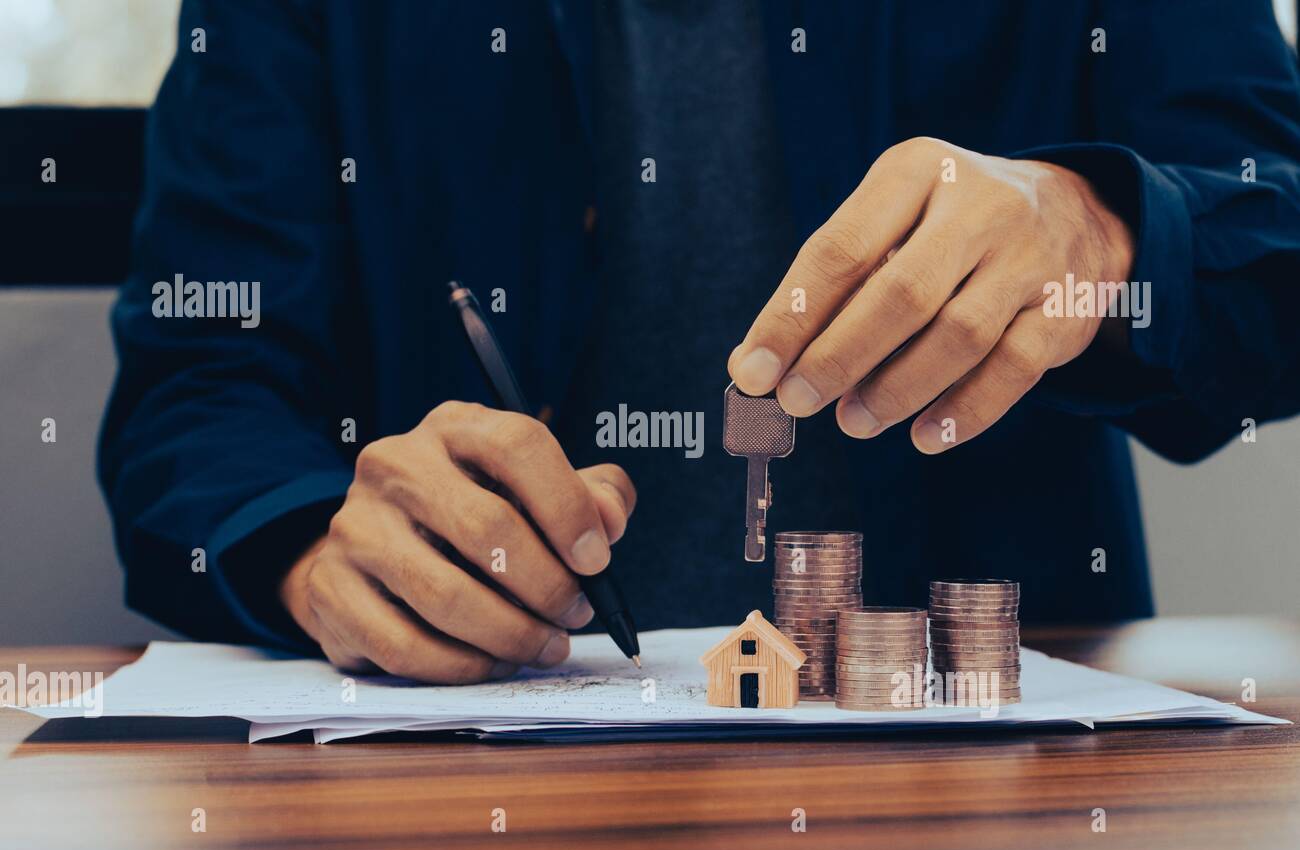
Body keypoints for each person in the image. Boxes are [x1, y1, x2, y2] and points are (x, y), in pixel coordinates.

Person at [100, 1, 1300, 683]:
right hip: (458, 792)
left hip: (984, 789)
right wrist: (317, 548)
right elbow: (194, 386)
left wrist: (1102, 232)